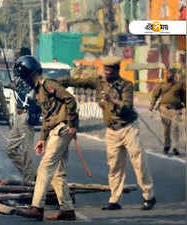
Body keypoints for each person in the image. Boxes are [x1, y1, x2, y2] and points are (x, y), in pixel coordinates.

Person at [59, 56, 156, 211]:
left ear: (116, 70)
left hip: (128, 128)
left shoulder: (126, 85)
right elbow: (77, 81)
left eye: (109, 70)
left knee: (139, 163)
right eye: (105, 69)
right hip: (111, 131)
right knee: (114, 166)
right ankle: (114, 200)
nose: (106, 72)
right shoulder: (99, 83)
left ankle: (148, 196)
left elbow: (127, 107)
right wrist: (57, 82)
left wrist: (112, 100)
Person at [14, 56, 78, 221]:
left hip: (61, 130)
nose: (23, 80)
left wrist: (72, 124)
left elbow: (70, 100)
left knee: (44, 168)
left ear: (30, 73)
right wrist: (42, 139)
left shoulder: (48, 84)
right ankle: (67, 210)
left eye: (23, 76)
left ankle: (37, 207)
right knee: (57, 173)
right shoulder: (38, 92)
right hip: (55, 130)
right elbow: (47, 117)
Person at [4, 48, 39, 183]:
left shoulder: (33, 77)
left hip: (27, 115)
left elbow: (30, 93)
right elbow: (14, 84)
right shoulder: (20, 77)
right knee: (11, 150)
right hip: (18, 116)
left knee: (26, 151)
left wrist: (15, 87)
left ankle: (29, 182)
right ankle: (29, 173)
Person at [150, 68, 186, 155]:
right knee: (166, 129)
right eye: (167, 74)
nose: (168, 75)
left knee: (175, 128)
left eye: (170, 74)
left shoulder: (179, 85)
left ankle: (175, 147)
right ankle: (167, 145)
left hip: (176, 109)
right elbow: (155, 95)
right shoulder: (162, 85)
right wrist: (152, 105)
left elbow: (184, 96)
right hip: (164, 109)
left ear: (174, 76)